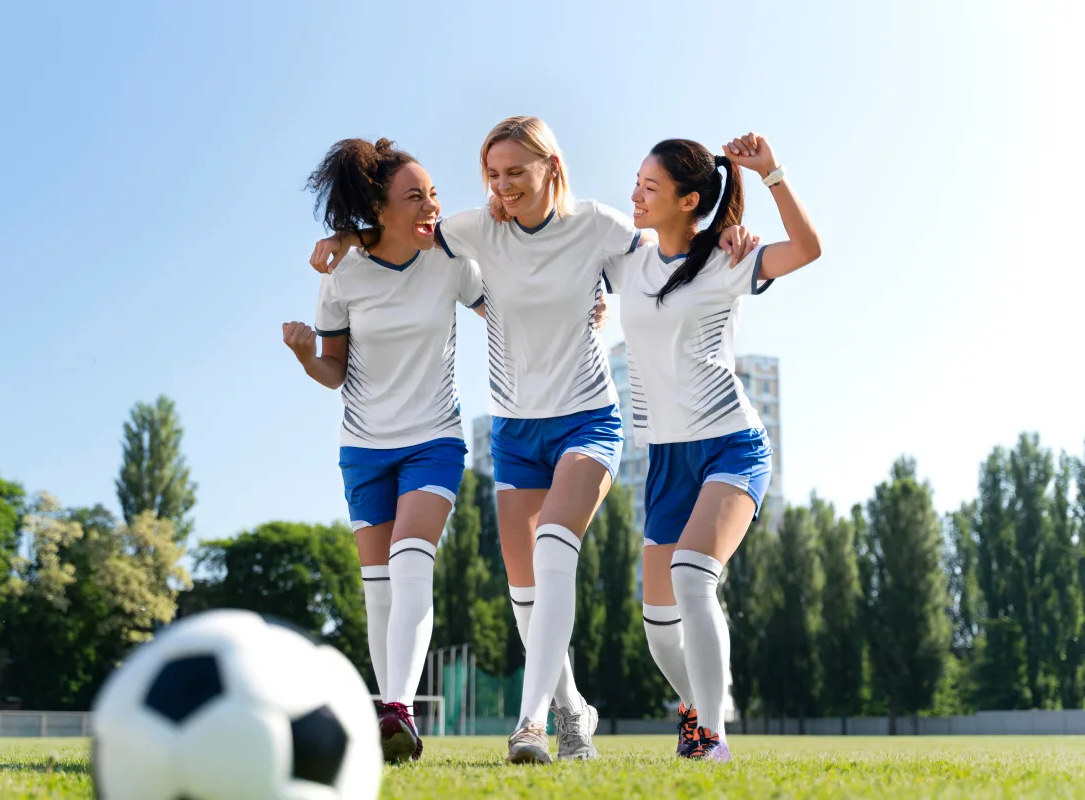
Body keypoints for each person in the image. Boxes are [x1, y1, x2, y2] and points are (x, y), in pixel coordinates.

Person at [311, 117, 757, 764]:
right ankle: (574, 712)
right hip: (515, 431)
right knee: (526, 598)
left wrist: (728, 234)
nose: (502, 185)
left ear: (553, 166)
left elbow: (670, 251)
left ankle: (530, 725)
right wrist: (345, 235)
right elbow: (405, 233)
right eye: (492, 174)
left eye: (516, 171)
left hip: (588, 419)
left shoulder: (601, 226)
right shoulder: (470, 232)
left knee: (554, 547)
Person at [601, 132, 821, 762]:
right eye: (636, 182)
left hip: (731, 445)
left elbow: (807, 249)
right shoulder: (627, 261)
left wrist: (772, 172)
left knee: (694, 578)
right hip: (667, 458)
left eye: (650, 187)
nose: (636, 196)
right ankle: (701, 704)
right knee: (657, 627)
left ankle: (712, 743)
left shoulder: (728, 259)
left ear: (688, 198)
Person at [284, 137, 486, 764]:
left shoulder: (452, 258)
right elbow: (334, 372)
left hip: (434, 439)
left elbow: (507, 308)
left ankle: (395, 708)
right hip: (365, 449)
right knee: (378, 589)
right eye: (416, 196)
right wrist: (302, 354)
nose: (432, 204)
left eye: (434, 193)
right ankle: (389, 711)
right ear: (380, 206)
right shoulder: (343, 274)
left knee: (409, 560)